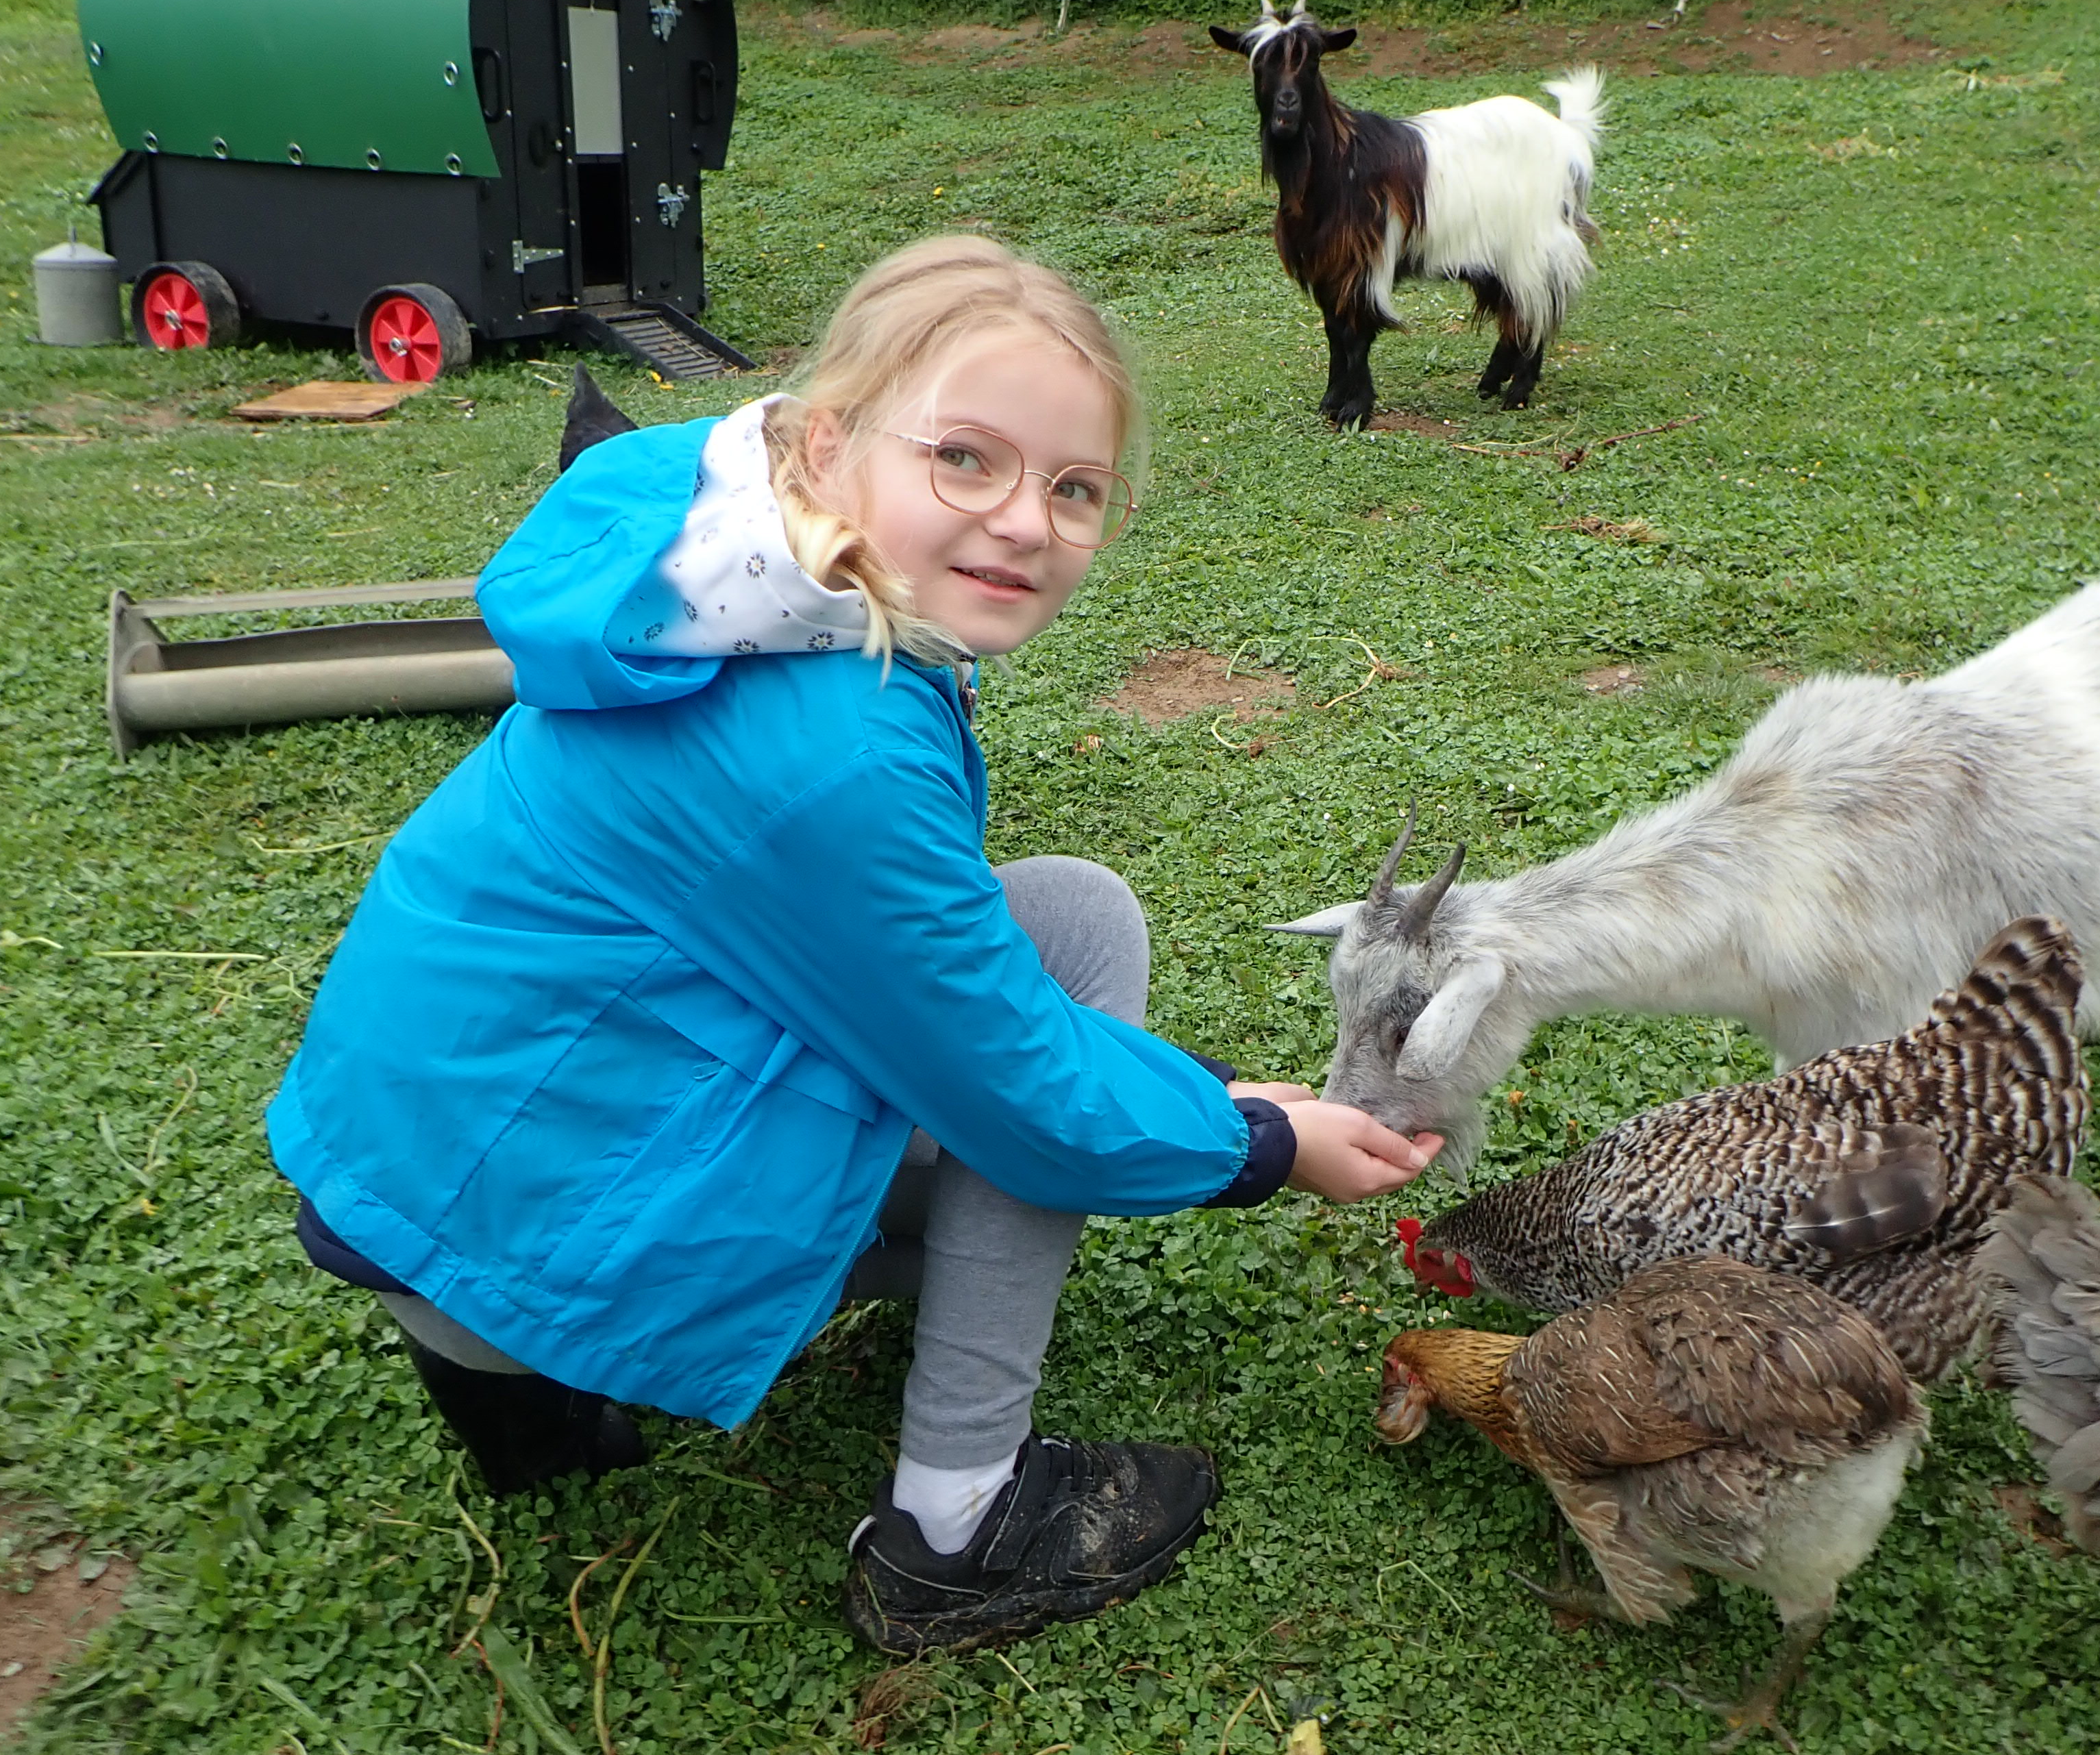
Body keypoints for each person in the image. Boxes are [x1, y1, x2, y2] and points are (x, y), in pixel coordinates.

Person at [266, 235, 1442, 1656]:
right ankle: (954, 1530)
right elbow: (1019, 1088)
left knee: (1069, 914)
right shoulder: (833, 752)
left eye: (1073, 489)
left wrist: (1207, 1095)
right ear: (832, 446)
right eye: (966, 459)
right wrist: (1259, 1146)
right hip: (503, 1234)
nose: (1027, 522)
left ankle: (537, 1398)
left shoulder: (720, 551)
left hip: (438, 1171)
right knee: (1032, 1138)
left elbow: (918, 976)